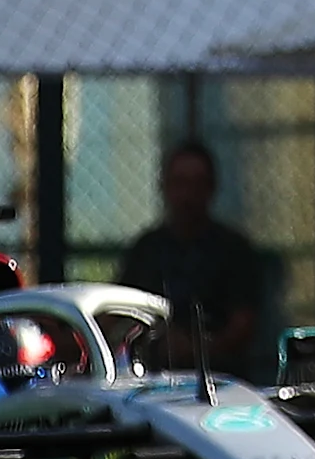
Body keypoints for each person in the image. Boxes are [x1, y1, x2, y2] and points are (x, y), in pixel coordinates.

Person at [115, 142, 269, 377]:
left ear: (211, 188)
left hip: (222, 380)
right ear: (164, 187)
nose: (188, 195)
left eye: (197, 184)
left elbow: (244, 324)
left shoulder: (233, 250)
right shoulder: (146, 250)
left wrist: (199, 350)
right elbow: (120, 314)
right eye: (180, 183)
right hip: (152, 379)